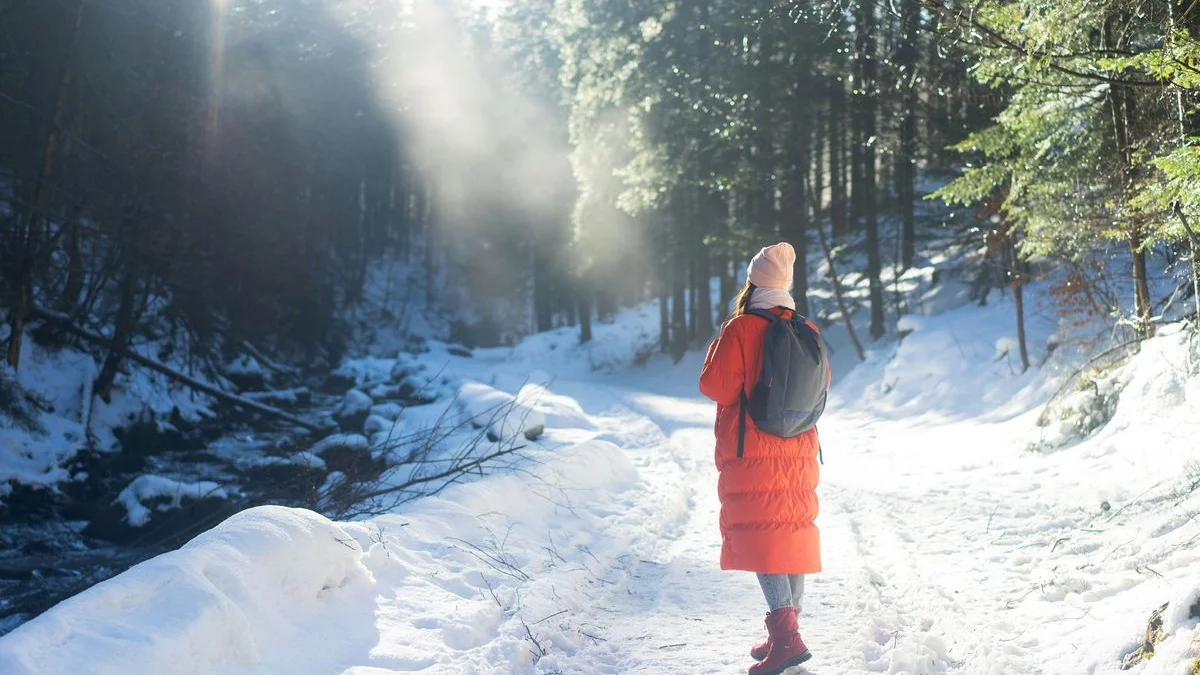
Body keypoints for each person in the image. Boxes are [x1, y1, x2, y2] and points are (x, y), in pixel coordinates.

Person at [698, 242, 823, 675]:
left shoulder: (742, 328)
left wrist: (721, 341)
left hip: (754, 449)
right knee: (788, 533)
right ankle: (783, 633)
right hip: (799, 447)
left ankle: (787, 640)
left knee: (763, 539)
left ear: (753, 284)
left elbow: (716, 387)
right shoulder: (807, 328)